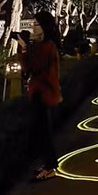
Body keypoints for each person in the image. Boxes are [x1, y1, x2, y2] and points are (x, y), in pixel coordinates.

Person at [21, 12, 62, 182]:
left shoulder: (48, 46)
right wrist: (24, 48)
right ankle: (46, 164)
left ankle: (50, 167)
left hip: (44, 93)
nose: (32, 26)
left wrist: (25, 48)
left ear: (44, 27)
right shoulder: (41, 45)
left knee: (44, 131)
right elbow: (27, 67)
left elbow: (33, 68)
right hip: (38, 92)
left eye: (36, 24)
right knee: (39, 130)